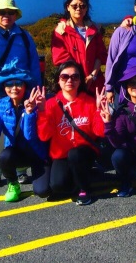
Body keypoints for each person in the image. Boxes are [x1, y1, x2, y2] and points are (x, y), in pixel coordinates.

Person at [0, 0, 42, 188]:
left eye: (10, 12)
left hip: (21, 91)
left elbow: (34, 66)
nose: (6, 15)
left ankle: (20, 170)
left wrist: (35, 91)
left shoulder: (25, 37)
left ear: (16, 15)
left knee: (20, 131)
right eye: (2, 12)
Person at [37, 61, 106, 206]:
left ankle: (84, 189)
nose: (70, 80)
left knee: (75, 154)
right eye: (65, 77)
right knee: (58, 185)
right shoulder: (50, 104)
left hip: (84, 153)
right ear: (58, 80)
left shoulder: (89, 101)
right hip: (62, 154)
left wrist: (100, 110)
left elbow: (99, 132)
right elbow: (44, 136)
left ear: (80, 80)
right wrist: (42, 112)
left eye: (75, 77)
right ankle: (86, 175)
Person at [0, 70, 49, 203]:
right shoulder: (1, 105)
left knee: (42, 191)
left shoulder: (35, 102)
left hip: (37, 154)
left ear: (25, 85)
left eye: (18, 83)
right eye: (9, 84)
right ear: (4, 87)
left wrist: (29, 112)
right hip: (16, 153)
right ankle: (13, 183)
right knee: (5, 156)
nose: (14, 88)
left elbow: (30, 136)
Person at [51, 0, 108, 93]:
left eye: (82, 6)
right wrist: (79, 78)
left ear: (86, 8)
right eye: (74, 6)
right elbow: (60, 58)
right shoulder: (61, 31)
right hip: (72, 84)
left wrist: (92, 76)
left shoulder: (95, 29)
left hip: (95, 84)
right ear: (68, 7)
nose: (78, 9)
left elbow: (101, 55)